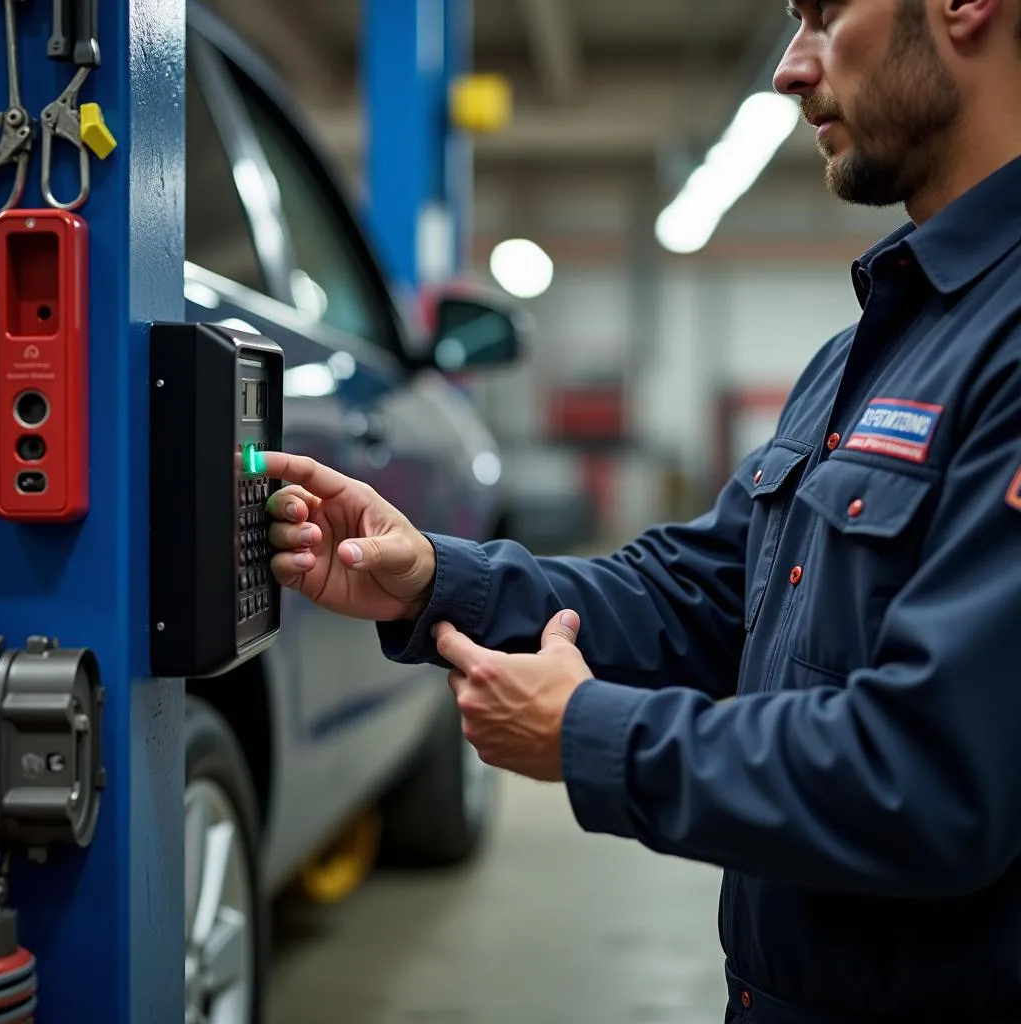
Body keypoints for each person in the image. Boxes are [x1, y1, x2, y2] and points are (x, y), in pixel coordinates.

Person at [262, 0, 1021, 1019]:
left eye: (824, 13)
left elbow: (931, 777)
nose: (788, 70)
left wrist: (591, 732)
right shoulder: (868, 347)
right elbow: (705, 594)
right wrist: (440, 578)